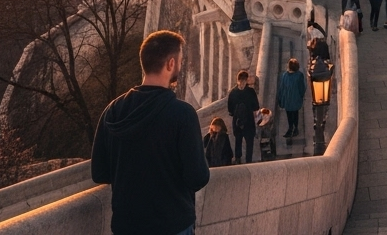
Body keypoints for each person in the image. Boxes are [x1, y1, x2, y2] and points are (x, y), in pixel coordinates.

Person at [91, 30, 209, 235]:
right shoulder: (182, 114)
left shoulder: (113, 110)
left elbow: (99, 172)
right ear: (171, 64)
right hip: (172, 225)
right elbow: (197, 177)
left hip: (126, 226)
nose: (180, 66)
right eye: (180, 61)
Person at [227, 70, 260, 164]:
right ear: (246, 80)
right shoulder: (251, 92)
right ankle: (248, 160)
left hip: (237, 121)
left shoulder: (233, 93)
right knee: (249, 142)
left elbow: (230, 110)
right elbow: (256, 107)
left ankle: (238, 159)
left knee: (238, 140)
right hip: (249, 120)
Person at [277, 57, 306, 138]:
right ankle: (295, 128)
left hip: (287, 99)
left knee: (289, 114)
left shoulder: (285, 75)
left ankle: (290, 128)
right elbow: (302, 88)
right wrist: (301, 95)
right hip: (296, 98)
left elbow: (281, 88)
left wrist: (280, 99)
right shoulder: (299, 75)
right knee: (295, 114)